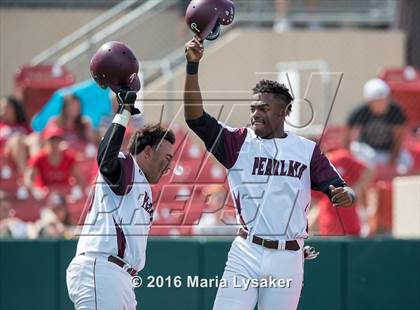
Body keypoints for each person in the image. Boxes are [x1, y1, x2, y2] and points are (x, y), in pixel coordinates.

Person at [183, 37, 356, 310]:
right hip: (246, 251)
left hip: (288, 258)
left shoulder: (306, 150)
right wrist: (192, 68)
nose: (255, 113)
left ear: (285, 111)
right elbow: (195, 118)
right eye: (253, 108)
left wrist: (345, 194)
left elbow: (341, 187)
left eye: (264, 108)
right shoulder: (238, 142)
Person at [66, 89, 175, 310]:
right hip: (102, 267)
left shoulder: (143, 184)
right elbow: (107, 160)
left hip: (120, 276)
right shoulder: (128, 165)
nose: (169, 166)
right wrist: (124, 111)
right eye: (166, 158)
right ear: (147, 152)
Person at [345, 78, 412, 174]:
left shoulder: (395, 111)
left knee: (406, 160)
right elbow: (346, 133)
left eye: (384, 99)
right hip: (369, 152)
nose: (382, 103)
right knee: (356, 149)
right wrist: (348, 159)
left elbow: (398, 139)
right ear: (369, 101)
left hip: (388, 152)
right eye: (378, 101)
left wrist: (391, 162)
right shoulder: (361, 111)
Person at [314, 147, 373, 236]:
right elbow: (319, 202)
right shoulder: (314, 169)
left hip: (350, 226)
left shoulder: (341, 157)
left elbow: (369, 171)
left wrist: (355, 189)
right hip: (329, 229)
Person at [24, 126, 83, 200]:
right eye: (51, 140)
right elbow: (28, 179)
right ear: (45, 141)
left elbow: (79, 178)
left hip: (64, 194)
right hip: (45, 196)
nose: (54, 143)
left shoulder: (69, 158)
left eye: (57, 140)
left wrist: (77, 190)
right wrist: (36, 190)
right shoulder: (38, 159)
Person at [0, 96, 30, 175]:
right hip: (5, 153)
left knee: (35, 138)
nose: (3, 110)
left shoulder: (24, 126)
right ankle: (24, 175)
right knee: (17, 140)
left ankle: (38, 169)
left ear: (15, 108)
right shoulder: (1, 126)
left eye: (7, 107)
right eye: (2, 108)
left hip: (24, 149)